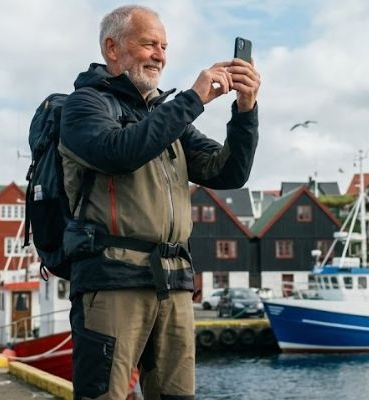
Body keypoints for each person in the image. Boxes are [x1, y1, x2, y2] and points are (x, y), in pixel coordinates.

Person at [59, 5, 259, 399]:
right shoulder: (84, 105)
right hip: (113, 279)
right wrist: (193, 98)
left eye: (164, 46)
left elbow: (228, 173)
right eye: (149, 43)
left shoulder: (166, 116)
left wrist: (245, 110)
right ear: (112, 48)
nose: (161, 55)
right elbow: (118, 152)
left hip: (174, 282)